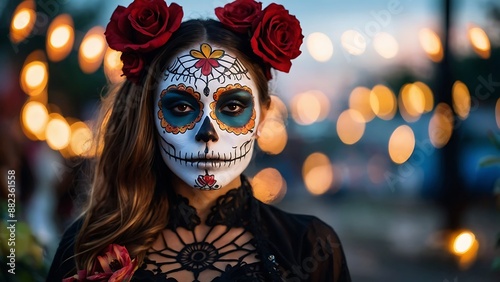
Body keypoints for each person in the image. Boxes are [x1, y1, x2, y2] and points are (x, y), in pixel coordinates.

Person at [46, 0, 351, 281]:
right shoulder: (86, 246)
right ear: (149, 115)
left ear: (263, 115)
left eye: (232, 107)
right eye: (181, 107)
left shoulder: (310, 245)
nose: (208, 132)